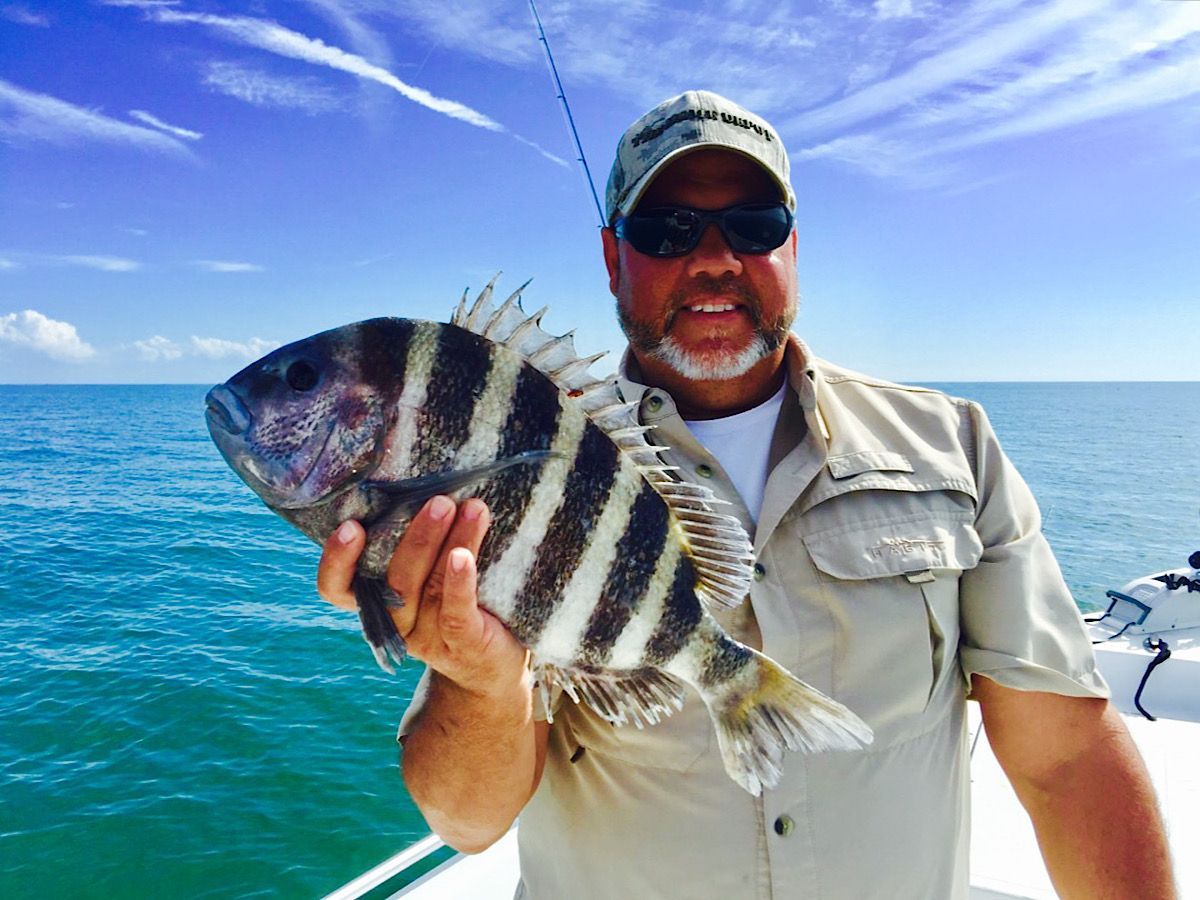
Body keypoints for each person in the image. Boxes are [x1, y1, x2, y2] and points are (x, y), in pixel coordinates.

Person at [317, 91, 1174, 899]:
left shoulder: (953, 447)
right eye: (667, 229)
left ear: (793, 248)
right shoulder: (532, 462)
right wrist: (476, 677)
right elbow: (466, 821)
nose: (715, 258)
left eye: (754, 225)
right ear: (613, 257)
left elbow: (1065, 760)